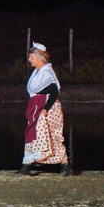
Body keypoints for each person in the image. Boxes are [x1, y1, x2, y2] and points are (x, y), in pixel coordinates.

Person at [19, 42, 71, 176]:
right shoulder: (36, 73)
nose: (30, 60)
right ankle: (26, 165)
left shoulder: (47, 73)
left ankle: (65, 165)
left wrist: (45, 109)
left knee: (52, 135)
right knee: (31, 133)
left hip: (48, 107)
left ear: (39, 58)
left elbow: (54, 93)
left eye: (32, 57)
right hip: (36, 106)